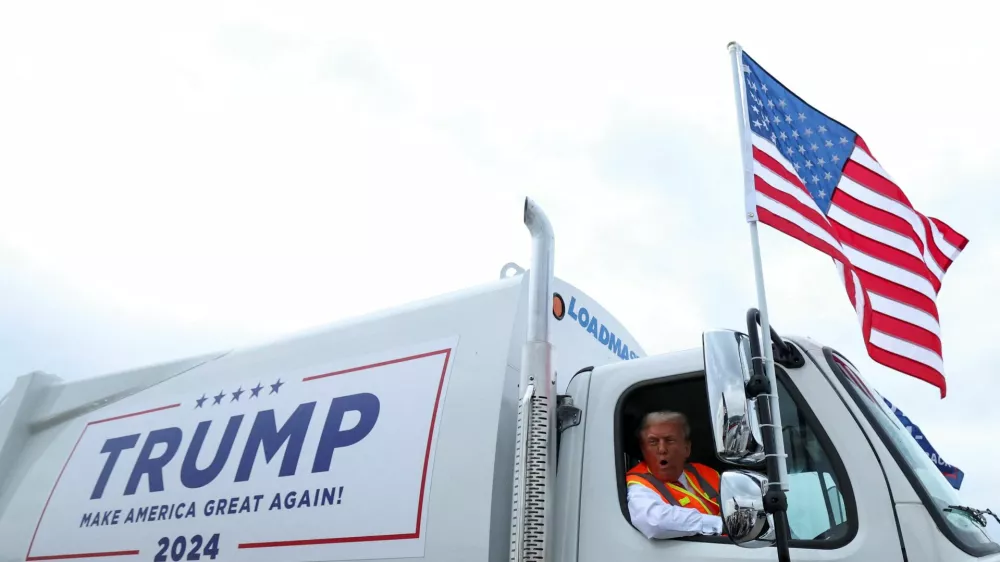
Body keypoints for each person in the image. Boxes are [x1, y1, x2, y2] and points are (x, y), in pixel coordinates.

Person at [625, 410, 724, 539]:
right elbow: (654, 522)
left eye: (670, 440)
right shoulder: (637, 483)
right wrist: (720, 525)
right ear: (643, 450)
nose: (662, 449)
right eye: (653, 442)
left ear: (686, 449)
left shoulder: (705, 472)